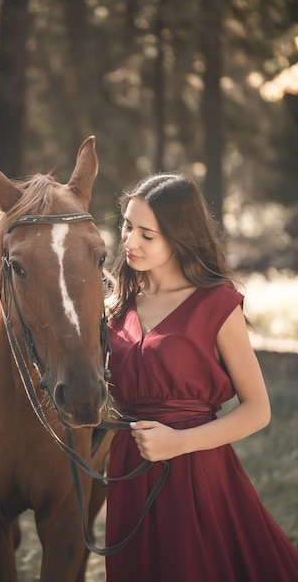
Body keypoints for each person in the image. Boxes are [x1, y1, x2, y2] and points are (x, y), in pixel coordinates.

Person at [104, 172, 298, 582]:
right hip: (128, 468)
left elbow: (258, 410)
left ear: (179, 237)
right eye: (127, 226)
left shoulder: (217, 304)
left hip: (195, 470)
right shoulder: (114, 306)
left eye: (147, 234)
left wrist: (178, 443)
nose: (130, 242)